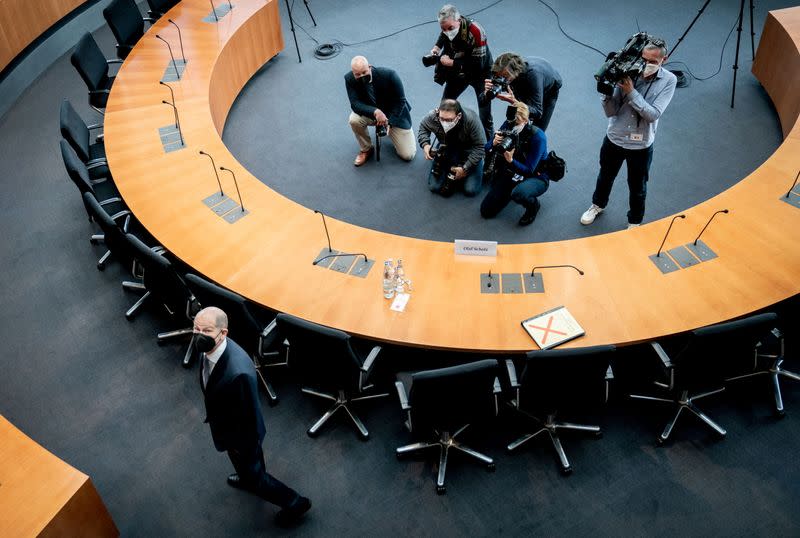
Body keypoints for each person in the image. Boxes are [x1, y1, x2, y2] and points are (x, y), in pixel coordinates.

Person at [194, 306, 311, 527]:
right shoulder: (210, 350)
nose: (199, 335)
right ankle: (247, 474)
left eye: (206, 330)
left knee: (256, 477)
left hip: (241, 436)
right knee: (247, 467)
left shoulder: (238, 373)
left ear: (223, 333)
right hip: (227, 428)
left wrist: (241, 444)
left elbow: (247, 415)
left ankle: (295, 502)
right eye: (196, 328)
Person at [580, 37, 676, 228]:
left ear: (663, 60)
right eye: (644, 59)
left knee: (638, 187)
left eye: (652, 62)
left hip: (641, 145)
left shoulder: (669, 80)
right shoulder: (627, 71)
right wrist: (606, 94)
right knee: (605, 176)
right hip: (615, 138)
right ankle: (597, 205)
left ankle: (635, 221)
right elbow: (611, 112)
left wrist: (631, 92)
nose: (646, 65)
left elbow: (653, 114)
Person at [427, 4, 493, 138]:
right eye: (443, 28)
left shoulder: (476, 31)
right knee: (445, 104)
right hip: (459, 71)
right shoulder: (448, 28)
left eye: (450, 28)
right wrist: (437, 48)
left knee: (484, 111)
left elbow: (477, 65)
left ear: (459, 20)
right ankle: (443, 138)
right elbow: (444, 35)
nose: (447, 31)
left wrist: (451, 63)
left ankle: (488, 145)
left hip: (481, 73)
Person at [480, 102, 549, 225]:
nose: (513, 126)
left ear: (526, 120)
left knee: (519, 193)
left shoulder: (538, 137)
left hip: (534, 175)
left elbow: (529, 170)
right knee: (486, 211)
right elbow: (486, 148)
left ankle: (533, 206)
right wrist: (493, 143)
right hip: (513, 170)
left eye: (516, 123)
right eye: (511, 122)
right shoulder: (509, 123)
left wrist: (511, 161)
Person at [345, 55, 416, 166]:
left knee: (408, 155)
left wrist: (389, 122)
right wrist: (376, 112)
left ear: (370, 66)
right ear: (353, 72)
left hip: (393, 114)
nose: (362, 76)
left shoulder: (389, 75)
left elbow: (401, 101)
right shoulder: (349, 79)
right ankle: (366, 149)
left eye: (364, 72)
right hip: (372, 113)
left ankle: (391, 130)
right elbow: (355, 104)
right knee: (354, 120)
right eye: (357, 74)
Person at [418, 98, 486, 197]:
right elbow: (423, 127)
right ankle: (450, 167)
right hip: (446, 148)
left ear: (458, 116)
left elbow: (480, 147)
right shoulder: (434, 116)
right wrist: (425, 144)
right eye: (442, 119)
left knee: (470, 190)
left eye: (449, 120)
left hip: (469, 151)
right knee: (434, 187)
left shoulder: (472, 120)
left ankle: (476, 165)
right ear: (438, 112)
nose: (444, 122)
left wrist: (465, 168)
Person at [479, 53, 562, 131]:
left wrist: (514, 102)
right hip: (520, 80)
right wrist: (486, 94)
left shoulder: (532, 76)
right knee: (517, 122)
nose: (501, 80)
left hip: (549, 89)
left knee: (537, 131)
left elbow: (537, 112)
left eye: (505, 77)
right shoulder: (503, 74)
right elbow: (482, 102)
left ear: (515, 71)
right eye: (498, 76)